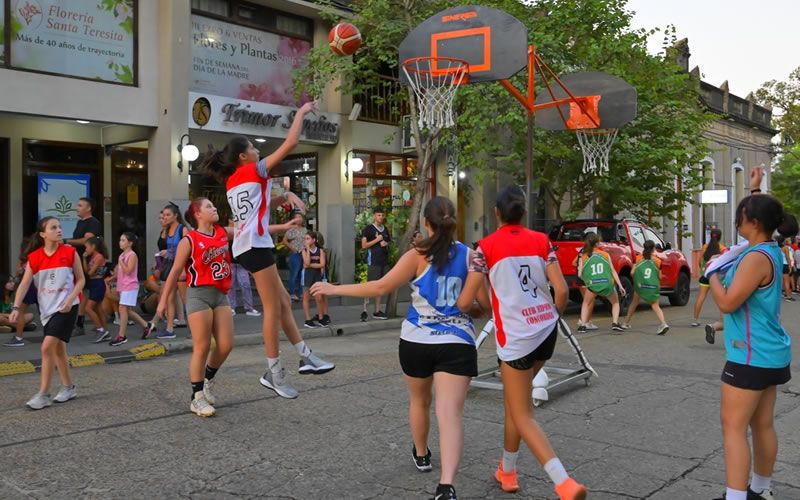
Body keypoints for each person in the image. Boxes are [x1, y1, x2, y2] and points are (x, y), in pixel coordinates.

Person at [313, 197, 483, 500]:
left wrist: (334, 288)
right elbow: (482, 305)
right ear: (453, 220)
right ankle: (447, 485)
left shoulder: (416, 255)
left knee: (420, 402)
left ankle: (421, 454)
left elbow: (379, 287)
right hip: (457, 343)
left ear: (426, 224)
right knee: (450, 413)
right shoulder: (472, 257)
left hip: (417, 341)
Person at [457, 185, 587, 500]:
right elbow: (563, 291)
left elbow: (466, 302)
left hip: (515, 339)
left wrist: (480, 306)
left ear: (496, 213)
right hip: (546, 332)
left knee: (522, 412)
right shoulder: (543, 242)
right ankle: (508, 471)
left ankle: (564, 482)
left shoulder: (484, 249)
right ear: (524, 212)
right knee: (514, 406)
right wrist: (549, 319)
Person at [198, 103, 334, 400]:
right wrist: (301, 112)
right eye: (255, 148)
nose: (260, 152)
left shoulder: (234, 181)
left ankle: (305, 355)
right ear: (244, 157)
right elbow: (291, 143)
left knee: (283, 301)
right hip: (254, 247)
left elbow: (260, 207)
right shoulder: (253, 169)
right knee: (274, 308)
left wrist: (285, 197)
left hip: (248, 247)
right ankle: (274, 372)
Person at [707, 195, 797, 500]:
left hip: (749, 354)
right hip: (769, 352)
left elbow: (728, 303)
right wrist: (756, 190)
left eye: (740, 216)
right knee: (761, 424)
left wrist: (710, 276)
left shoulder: (754, 258)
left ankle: (736, 497)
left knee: (733, 426)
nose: (737, 221)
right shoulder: (768, 249)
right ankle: (761, 489)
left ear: (753, 222)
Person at [156, 199, 234, 417]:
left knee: (226, 345)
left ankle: (207, 379)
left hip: (220, 294)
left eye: (213, 205)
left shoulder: (222, 232)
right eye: (209, 206)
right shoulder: (189, 240)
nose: (215, 208)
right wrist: (163, 302)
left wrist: (283, 226)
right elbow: (174, 272)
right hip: (198, 294)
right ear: (198, 214)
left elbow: (251, 230)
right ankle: (196, 397)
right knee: (201, 347)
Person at [10, 216, 84, 410]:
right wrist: (16, 308)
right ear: (43, 234)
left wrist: (70, 299)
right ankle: (69, 387)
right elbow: (24, 285)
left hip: (67, 307)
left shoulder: (70, 252)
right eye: (54, 228)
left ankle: (43, 394)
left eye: (60, 227)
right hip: (47, 309)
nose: (59, 230)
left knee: (46, 347)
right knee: (58, 349)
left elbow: (81, 280)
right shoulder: (34, 257)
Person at [64, 197, 101, 337]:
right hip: (78, 259)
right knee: (82, 291)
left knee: (84, 291)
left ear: (88, 208)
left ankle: (82, 323)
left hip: (87, 261)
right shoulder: (80, 222)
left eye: (80, 205)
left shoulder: (93, 223)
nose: (76, 208)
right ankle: (87, 323)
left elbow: (86, 240)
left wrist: (66, 241)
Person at [110, 232, 155, 346]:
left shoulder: (131, 255)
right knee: (128, 310)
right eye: (120, 240)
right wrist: (113, 278)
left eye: (123, 240)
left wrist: (120, 261)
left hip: (130, 286)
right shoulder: (123, 255)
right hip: (124, 285)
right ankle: (146, 325)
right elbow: (122, 272)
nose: (120, 242)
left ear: (130, 243)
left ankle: (121, 335)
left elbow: (129, 271)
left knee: (122, 309)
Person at [576, 232, 626, 333]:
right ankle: (615, 323)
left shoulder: (584, 256)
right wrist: (620, 285)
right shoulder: (605, 254)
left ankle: (583, 325)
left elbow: (579, 274)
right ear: (597, 243)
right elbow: (612, 271)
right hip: (607, 283)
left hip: (593, 284)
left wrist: (587, 281)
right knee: (615, 303)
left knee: (586, 303)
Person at [155, 203, 189, 339]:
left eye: (168, 215)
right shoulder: (168, 230)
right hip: (171, 266)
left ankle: (194, 328)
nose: (165, 217)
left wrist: (184, 270)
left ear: (176, 216)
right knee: (170, 297)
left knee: (186, 299)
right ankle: (170, 329)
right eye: (164, 215)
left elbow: (189, 250)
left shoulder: (183, 229)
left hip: (181, 268)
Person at [622, 240, 669, 335]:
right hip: (652, 286)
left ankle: (626, 322)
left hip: (641, 285)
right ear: (653, 249)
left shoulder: (638, 258)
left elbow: (632, 272)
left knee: (634, 303)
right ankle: (663, 323)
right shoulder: (658, 261)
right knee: (655, 306)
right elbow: (660, 277)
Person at [3, 237, 38, 347]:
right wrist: (19, 271)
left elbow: (19, 273)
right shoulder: (31, 257)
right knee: (23, 311)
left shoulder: (30, 257)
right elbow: (18, 273)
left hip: (31, 284)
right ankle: (19, 335)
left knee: (22, 312)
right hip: (33, 285)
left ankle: (18, 337)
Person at [360, 206, 391, 321]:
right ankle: (364, 310)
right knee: (370, 285)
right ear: (374, 216)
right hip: (373, 261)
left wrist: (385, 243)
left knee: (380, 286)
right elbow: (364, 245)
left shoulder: (385, 229)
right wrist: (376, 240)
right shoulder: (368, 229)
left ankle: (377, 311)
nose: (381, 217)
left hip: (384, 261)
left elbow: (388, 241)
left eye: (382, 215)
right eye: (378, 215)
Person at [226, 215, 261, 317]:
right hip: (230, 263)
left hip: (241, 262)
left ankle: (249, 307)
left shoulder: (240, 231)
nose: (235, 221)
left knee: (245, 285)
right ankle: (231, 307)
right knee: (230, 286)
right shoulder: (226, 232)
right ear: (229, 220)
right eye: (233, 219)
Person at [83, 236, 110, 343]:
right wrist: (84, 258)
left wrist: (88, 273)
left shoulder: (99, 257)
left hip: (98, 284)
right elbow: (86, 270)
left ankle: (100, 330)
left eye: (87, 248)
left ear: (93, 246)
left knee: (88, 308)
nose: (86, 250)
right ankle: (105, 330)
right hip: (93, 284)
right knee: (98, 309)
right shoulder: (92, 257)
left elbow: (90, 272)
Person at [571, 233, 599, 331]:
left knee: (586, 301)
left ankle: (585, 320)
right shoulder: (591, 252)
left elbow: (573, 262)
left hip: (579, 279)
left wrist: (580, 268)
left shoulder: (582, 251)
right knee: (590, 301)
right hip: (586, 279)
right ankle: (585, 322)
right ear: (595, 243)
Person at [302, 231, 329, 328]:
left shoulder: (320, 251)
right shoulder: (304, 251)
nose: (306, 241)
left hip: (317, 277)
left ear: (314, 240)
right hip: (308, 277)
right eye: (305, 239)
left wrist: (310, 265)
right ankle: (308, 320)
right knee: (306, 298)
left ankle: (321, 318)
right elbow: (306, 262)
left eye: (308, 238)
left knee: (319, 298)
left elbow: (322, 264)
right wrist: (308, 250)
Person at [282, 209, 306, 301]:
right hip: (295, 254)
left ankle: (301, 293)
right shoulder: (291, 230)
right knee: (294, 273)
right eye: (297, 217)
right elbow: (284, 241)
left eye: (300, 217)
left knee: (301, 274)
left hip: (303, 253)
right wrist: (292, 248)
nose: (299, 219)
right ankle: (292, 293)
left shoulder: (305, 229)